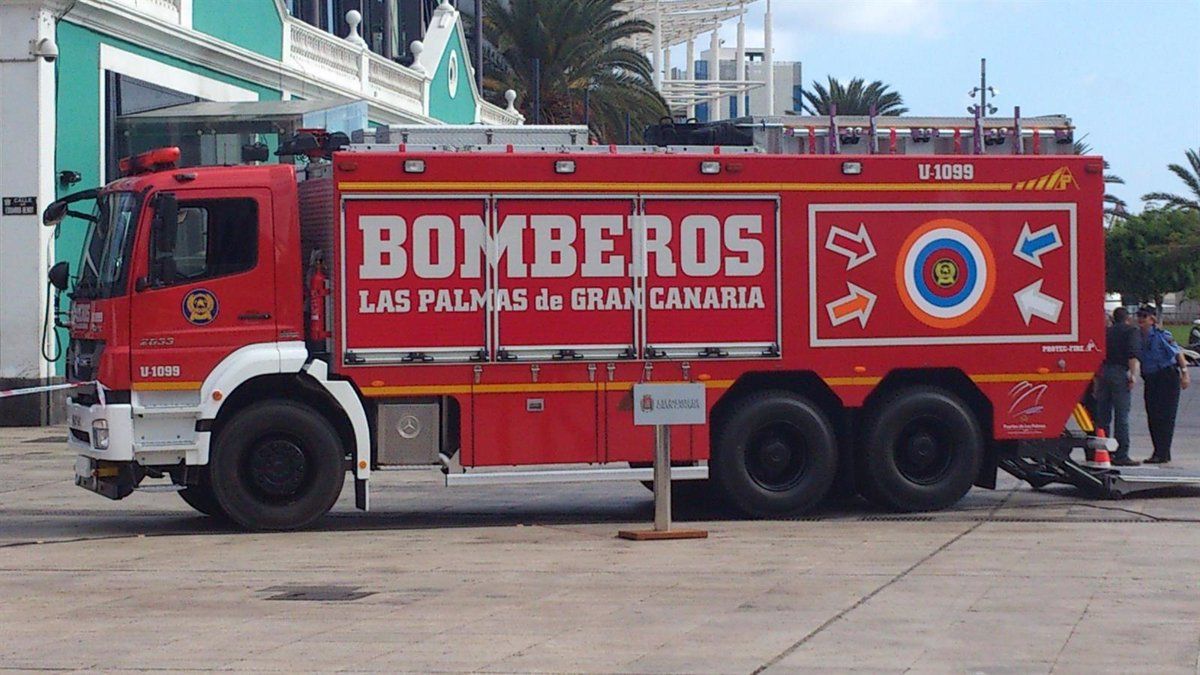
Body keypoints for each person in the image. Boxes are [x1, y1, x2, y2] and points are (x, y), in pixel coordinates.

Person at [1136, 306, 1191, 463]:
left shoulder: (1162, 335)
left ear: (1152, 319)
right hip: (1151, 378)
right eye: (1138, 315)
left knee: (1165, 416)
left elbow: (1177, 353)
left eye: (1144, 316)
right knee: (1152, 414)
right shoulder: (1138, 337)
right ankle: (1158, 451)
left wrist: (1185, 374)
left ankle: (1163, 452)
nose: (1140, 319)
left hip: (1166, 376)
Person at [1094, 307, 1141, 465]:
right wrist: (1133, 375)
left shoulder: (1106, 332)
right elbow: (1132, 355)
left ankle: (1103, 450)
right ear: (1127, 318)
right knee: (1122, 416)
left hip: (1104, 372)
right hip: (1120, 372)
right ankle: (1121, 454)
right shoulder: (1131, 331)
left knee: (1103, 416)